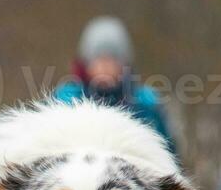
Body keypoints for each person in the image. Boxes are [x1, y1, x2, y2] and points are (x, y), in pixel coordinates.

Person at [55, 17, 174, 149]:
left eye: (111, 59)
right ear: (86, 64)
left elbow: (167, 150)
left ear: (123, 64)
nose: (105, 66)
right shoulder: (67, 100)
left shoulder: (146, 104)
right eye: (98, 59)